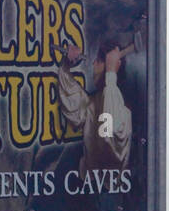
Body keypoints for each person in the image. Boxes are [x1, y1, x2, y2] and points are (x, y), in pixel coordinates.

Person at [56, 39, 133, 176]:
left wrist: (110, 72)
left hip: (108, 193)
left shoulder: (122, 111)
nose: (93, 63)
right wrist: (66, 64)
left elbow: (108, 132)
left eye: (98, 60)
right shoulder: (93, 103)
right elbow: (71, 99)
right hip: (87, 188)